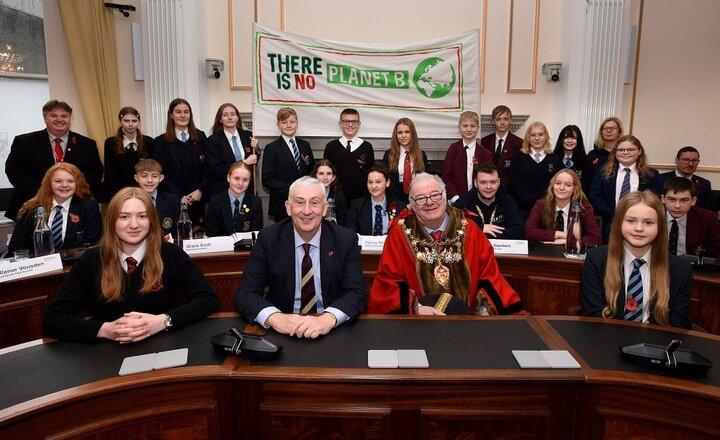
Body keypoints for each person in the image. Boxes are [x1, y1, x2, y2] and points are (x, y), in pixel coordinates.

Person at [43, 187, 219, 343]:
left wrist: (163, 321)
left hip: (163, 345)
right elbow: (54, 320)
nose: (134, 225)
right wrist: (106, 330)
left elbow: (208, 300)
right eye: (124, 217)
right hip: (105, 356)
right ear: (112, 221)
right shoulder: (90, 260)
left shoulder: (171, 254)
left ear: (151, 220)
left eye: (142, 216)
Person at [368, 173, 525, 316]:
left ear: (445, 196)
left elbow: (489, 277)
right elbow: (388, 283)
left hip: (466, 324)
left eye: (435, 195)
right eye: (420, 198)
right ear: (412, 205)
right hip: (418, 326)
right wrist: (416, 308)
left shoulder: (470, 229)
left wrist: (484, 310)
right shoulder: (400, 234)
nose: (429, 202)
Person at [234, 177, 367, 339]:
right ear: (288, 208)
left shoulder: (345, 240)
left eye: (314, 202)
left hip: (331, 331)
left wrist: (328, 319)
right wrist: (276, 318)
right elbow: (245, 293)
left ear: (325, 209)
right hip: (282, 331)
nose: (306, 211)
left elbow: (357, 293)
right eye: (299, 202)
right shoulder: (269, 239)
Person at [581, 190, 692, 329]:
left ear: (660, 227)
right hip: (606, 342)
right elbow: (593, 318)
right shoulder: (596, 259)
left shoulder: (681, 270)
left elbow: (679, 326)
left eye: (648, 222)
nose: (639, 228)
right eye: (631, 221)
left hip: (656, 346)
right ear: (619, 223)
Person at [5, 100, 103, 221]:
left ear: (70, 119)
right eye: (53, 115)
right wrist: (44, 192)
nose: (59, 119)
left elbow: (95, 172)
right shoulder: (24, 142)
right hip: (33, 204)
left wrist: (72, 191)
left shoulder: (87, 144)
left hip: (75, 205)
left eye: (64, 116)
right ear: (44, 118)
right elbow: (14, 171)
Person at [7, 163, 102, 256]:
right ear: (49, 183)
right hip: (38, 266)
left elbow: (92, 244)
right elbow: (16, 247)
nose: (65, 185)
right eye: (58, 181)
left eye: (70, 181)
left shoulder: (89, 207)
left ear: (77, 183)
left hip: (74, 265)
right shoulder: (31, 208)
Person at [590, 134, 659, 242]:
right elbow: (595, 196)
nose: (625, 153)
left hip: (639, 226)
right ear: (615, 152)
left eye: (630, 149)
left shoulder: (650, 174)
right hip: (610, 223)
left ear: (639, 151)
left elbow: (654, 199)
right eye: (621, 150)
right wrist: (614, 213)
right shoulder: (603, 172)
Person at [152, 98, 208, 226]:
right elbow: (161, 173)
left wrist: (200, 190)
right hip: (172, 199)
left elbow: (207, 167)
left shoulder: (201, 137)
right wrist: (179, 196)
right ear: (171, 115)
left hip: (198, 198)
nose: (183, 115)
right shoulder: (160, 142)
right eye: (178, 112)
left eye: (186, 112)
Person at [261, 107, 315, 222]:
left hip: (306, 205)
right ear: (278, 125)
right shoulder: (271, 148)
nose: (288, 125)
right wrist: (293, 190)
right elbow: (267, 179)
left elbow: (312, 171)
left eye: (292, 122)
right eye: (284, 122)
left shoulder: (305, 145)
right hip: (282, 205)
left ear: (297, 123)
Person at [524, 169, 602, 246]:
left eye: (568, 185)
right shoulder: (541, 204)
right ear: (552, 185)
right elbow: (529, 232)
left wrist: (567, 241)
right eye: (558, 183)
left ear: (575, 189)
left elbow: (596, 239)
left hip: (572, 253)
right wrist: (563, 235)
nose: (561, 188)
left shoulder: (583, 208)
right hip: (546, 251)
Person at [508, 121, 563, 220]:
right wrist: (526, 200)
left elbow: (555, 184)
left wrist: (540, 201)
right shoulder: (518, 157)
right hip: (522, 208)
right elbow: (513, 182)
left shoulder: (555, 159)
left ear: (546, 136)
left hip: (546, 209)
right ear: (528, 138)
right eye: (533, 135)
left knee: (543, 235)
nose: (537, 138)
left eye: (541, 135)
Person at [453, 162, 523, 239]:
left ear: (499, 182)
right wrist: (479, 228)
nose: (488, 187)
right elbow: (453, 230)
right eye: (483, 182)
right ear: (475, 183)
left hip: (501, 248)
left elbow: (517, 231)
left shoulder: (508, 201)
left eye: (493, 182)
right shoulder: (462, 203)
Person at [205, 103, 259, 199]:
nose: (230, 117)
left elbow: (254, 159)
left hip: (247, 190)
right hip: (223, 190)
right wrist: (244, 163)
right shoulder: (212, 141)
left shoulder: (248, 135)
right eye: (225, 115)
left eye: (233, 114)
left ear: (237, 117)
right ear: (220, 119)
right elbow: (216, 169)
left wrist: (257, 148)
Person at [322, 108, 375, 202]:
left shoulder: (367, 147)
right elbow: (324, 173)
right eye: (346, 121)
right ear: (340, 124)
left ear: (359, 124)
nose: (350, 125)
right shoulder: (331, 146)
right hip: (335, 199)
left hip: (361, 199)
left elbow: (371, 175)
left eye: (354, 121)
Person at [103, 107, 154, 201]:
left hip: (144, 192)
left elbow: (152, 170)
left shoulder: (148, 142)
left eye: (134, 121)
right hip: (119, 193)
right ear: (120, 121)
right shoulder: (111, 143)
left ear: (139, 122)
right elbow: (109, 173)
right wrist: (115, 197)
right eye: (126, 121)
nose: (130, 124)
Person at [661, 176, 720, 257]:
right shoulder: (653, 215)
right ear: (663, 199)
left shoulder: (707, 218)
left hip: (692, 266)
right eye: (672, 199)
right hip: (657, 264)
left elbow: (717, 250)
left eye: (684, 200)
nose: (677, 206)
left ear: (693, 201)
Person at [442, 111, 494, 203]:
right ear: (459, 128)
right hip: (456, 200)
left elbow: (487, 179)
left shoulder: (486, 154)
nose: (469, 129)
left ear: (478, 128)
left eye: (472, 126)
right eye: (465, 126)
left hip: (479, 200)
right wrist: (456, 198)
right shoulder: (453, 149)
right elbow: (447, 176)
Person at [346, 163, 407, 236]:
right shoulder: (357, 206)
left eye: (378, 182)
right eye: (370, 182)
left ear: (387, 183)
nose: (373, 186)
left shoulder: (400, 208)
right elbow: (349, 233)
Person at [205, 162, 263, 236]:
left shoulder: (255, 203)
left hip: (246, 247)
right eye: (236, 178)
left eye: (245, 180)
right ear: (228, 178)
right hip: (221, 246)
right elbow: (212, 234)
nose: (240, 183)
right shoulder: (215, 202)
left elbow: (255, 234)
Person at [382, 117, 429, 204]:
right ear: (396, 135)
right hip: (395, 200)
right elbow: (384, 180)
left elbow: (426, 180)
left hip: (417, 199)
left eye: (407, 132)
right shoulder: (389, 154)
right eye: (400, 132)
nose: (403, 136)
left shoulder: (422, 155)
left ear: (413, 134)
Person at [134, 159, 180, 239]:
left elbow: (178, 230)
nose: (149, 180)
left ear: (161, 178)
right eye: (144, 176)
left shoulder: (172, 201)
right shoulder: (129, 202)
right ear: (136, 178)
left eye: (154, 176)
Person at [480, 105, 523, 187]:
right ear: (493, 121)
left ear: (510, 120)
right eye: (498, 119)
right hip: (488, 187)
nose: (502, 122)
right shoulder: (485, 141)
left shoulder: (519, 143)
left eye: (506, 119)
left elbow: (519, 171)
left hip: (509, 189)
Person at [585, 117, 623, 191]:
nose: (609, 131)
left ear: (619, 132)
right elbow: (586, 180)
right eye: (605, 128)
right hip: (594, 196)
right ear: (601, 132)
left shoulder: (623, 154)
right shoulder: (592, 154)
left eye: (613, 128)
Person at [552, 124, 590, 193]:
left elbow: (586, 185)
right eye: (566, 138)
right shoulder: (552, 159)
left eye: (573, 138)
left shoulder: (585, 161)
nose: (569, 141)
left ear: (578, 140)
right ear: (561, 140)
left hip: (577, 199)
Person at [310, 159, 348, 226]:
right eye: (321, 173)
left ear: (333, 177)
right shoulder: (307, 195)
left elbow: (342, 222)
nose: (325, 177)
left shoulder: (339, 196)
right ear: (315, 176)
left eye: (329, 174)